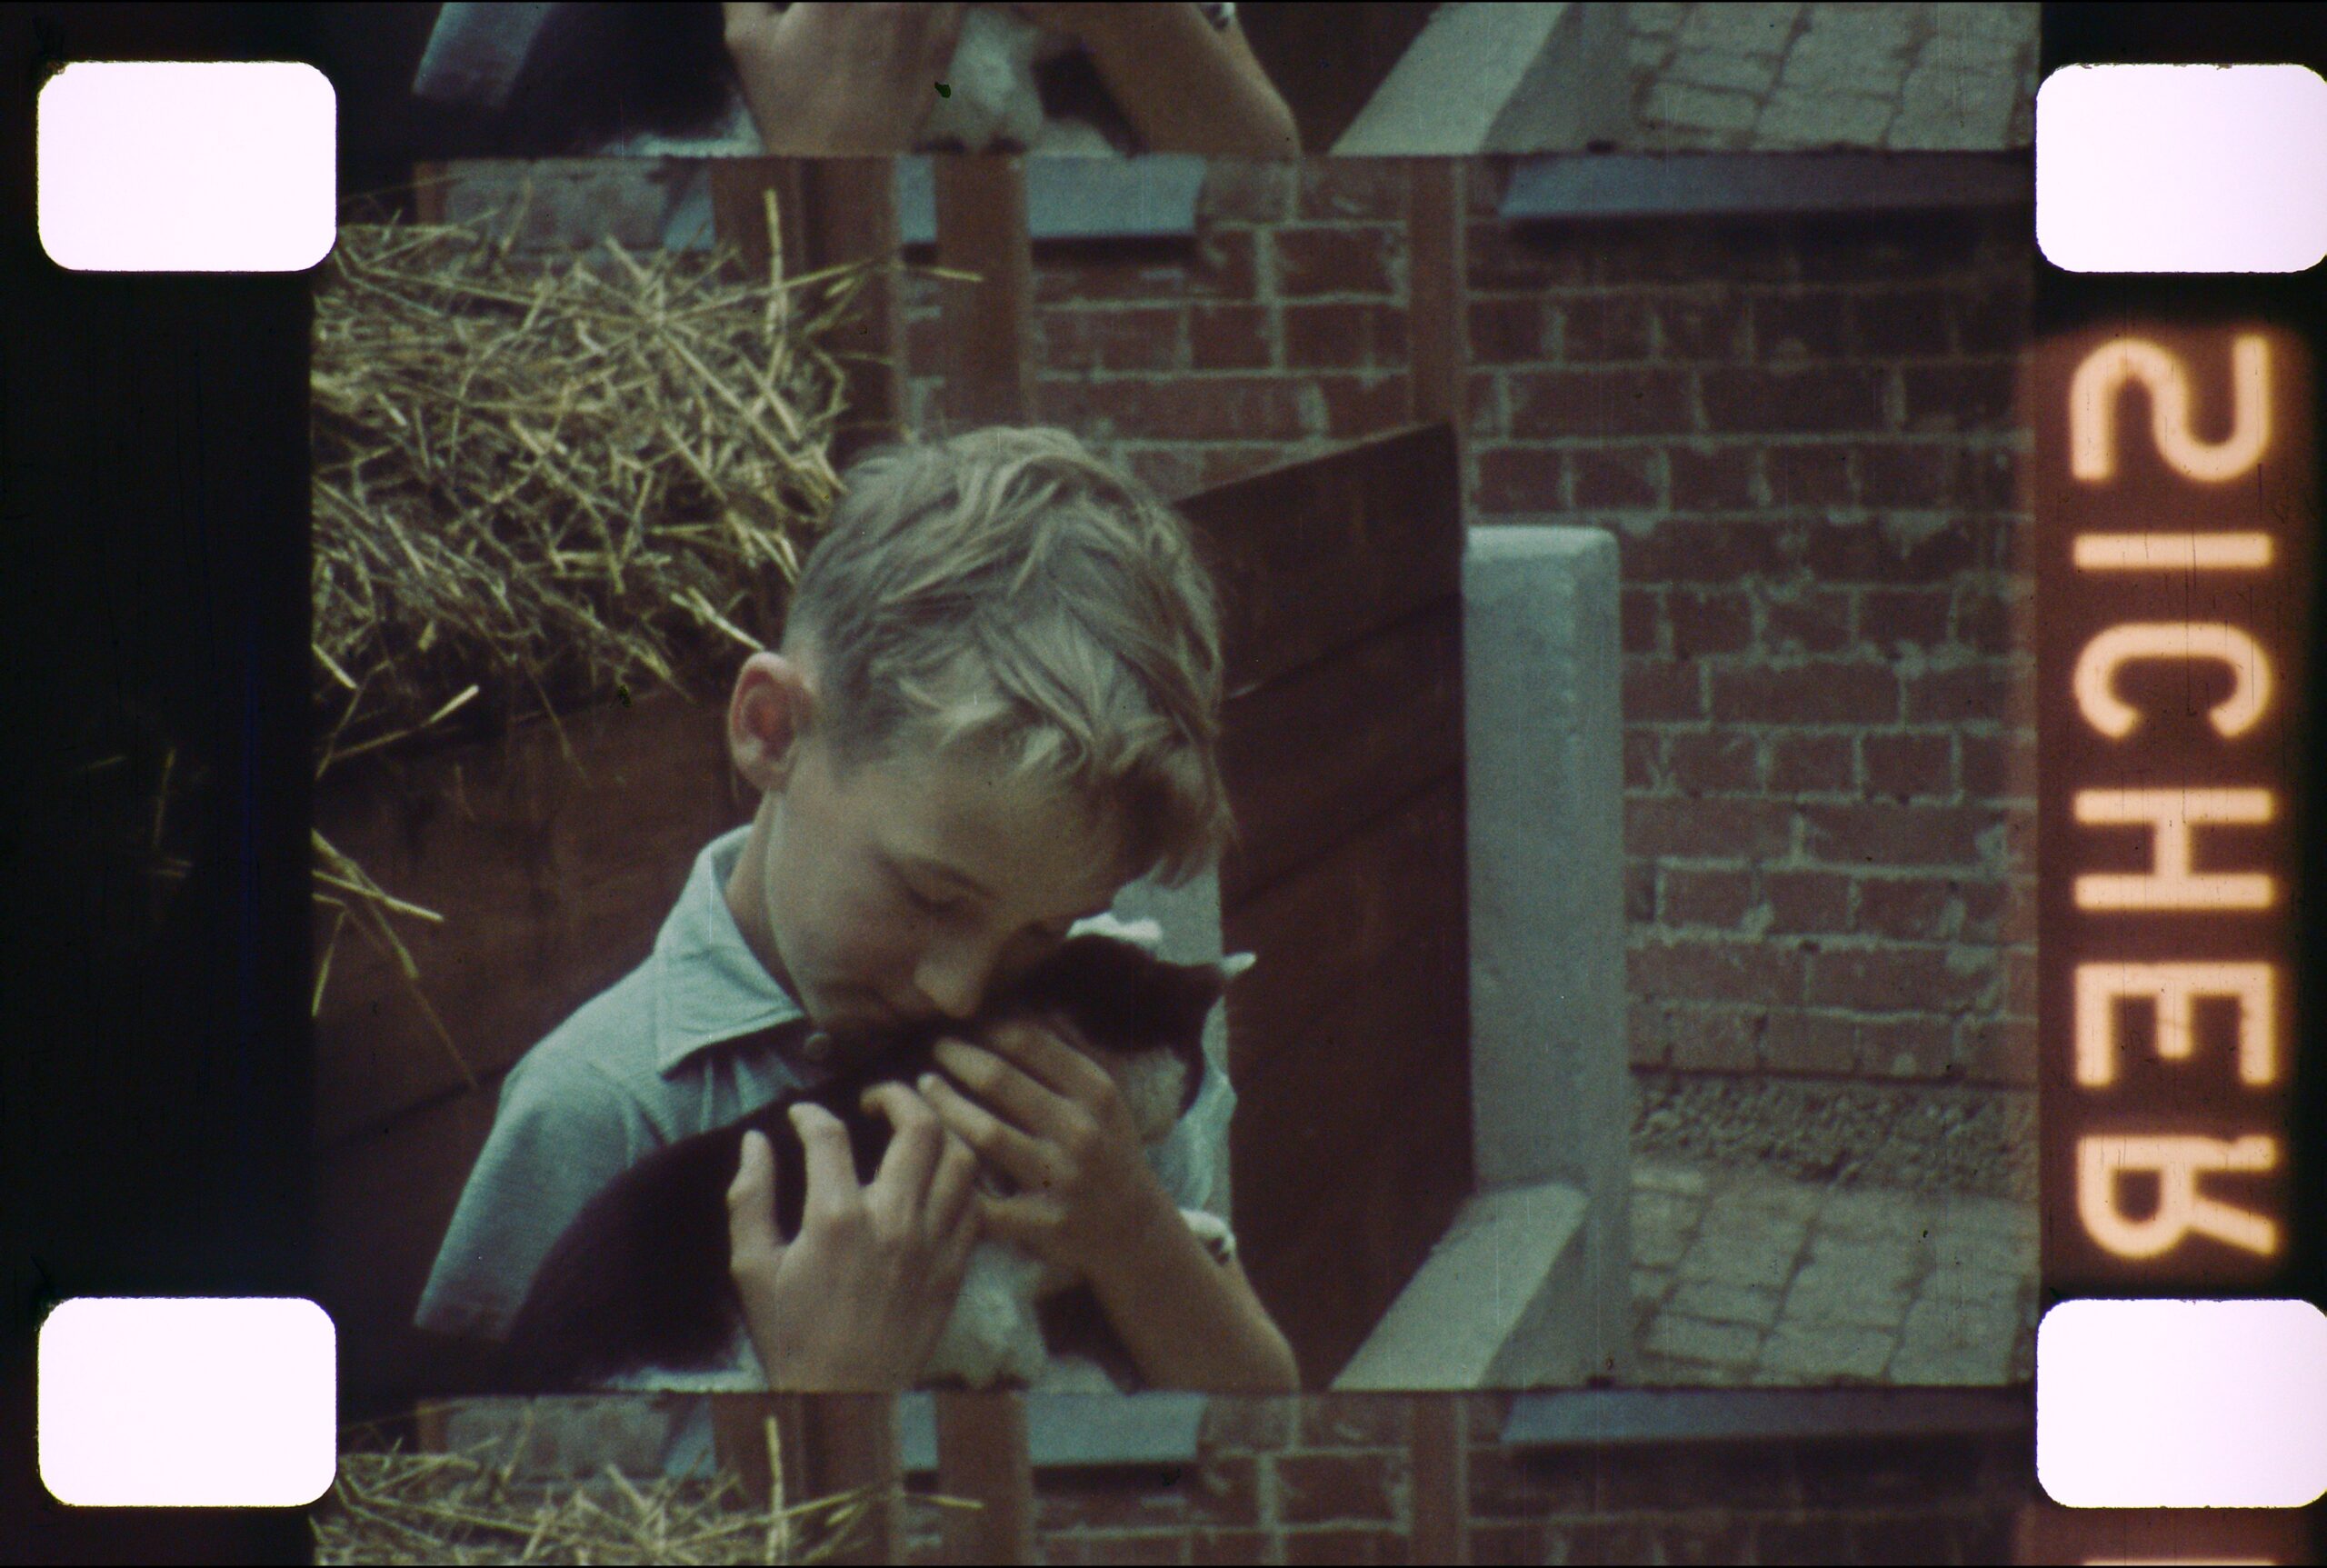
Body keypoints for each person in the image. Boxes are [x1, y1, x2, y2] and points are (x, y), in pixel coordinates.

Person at [416, 427, 1300, 1393]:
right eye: (928, 894)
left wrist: (1133, 1233)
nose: (961, 992)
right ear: (772, 730)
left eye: (1044, 927)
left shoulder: (1082, 1064)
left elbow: (1260, 1405)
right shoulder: (598, 1107)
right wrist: (830, 1394)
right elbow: (493, 1476)